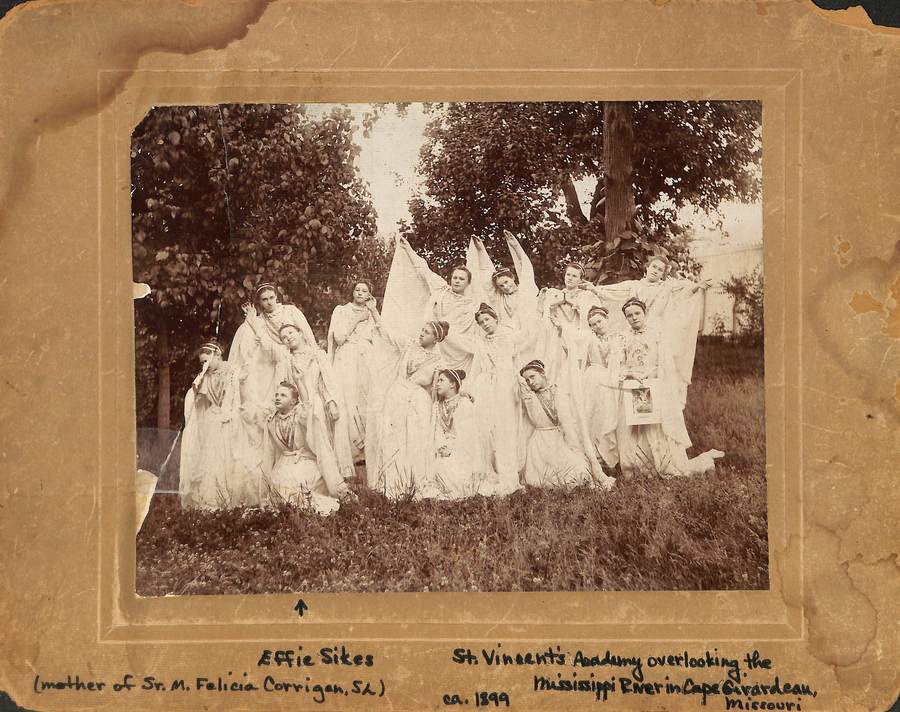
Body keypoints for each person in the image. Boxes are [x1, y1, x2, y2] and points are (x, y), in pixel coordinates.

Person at [241, 304, 354, 497]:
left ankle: (331, 480)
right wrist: (253, 322)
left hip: (317, 402)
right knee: (299, 445)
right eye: (284, 337)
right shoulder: (286, 358)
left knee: (320, 434)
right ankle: (306, 480)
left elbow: (327, 380)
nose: (288, 338)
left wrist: (331, 402)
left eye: (291, 333)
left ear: (300, 333)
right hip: (296, 407)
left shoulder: (317, 354)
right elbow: (267, 345)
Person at [613, 297, 723, 478]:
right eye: (629, 315)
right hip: (633, 385)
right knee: (633, 426)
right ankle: (638, 467)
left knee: (653, 426)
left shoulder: (657, 335)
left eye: (637, 313)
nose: (634, 318)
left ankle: (663, 464)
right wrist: (631, 374)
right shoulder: (623, 338)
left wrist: (650, 374)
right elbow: (619, 363)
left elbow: (665, 363)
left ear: (644, 313)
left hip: (654, 385)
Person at [365, 309, 449, 499]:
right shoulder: (410, 346)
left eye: (426, 332)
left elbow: (439, 388)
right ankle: (392, 483)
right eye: (422, 330)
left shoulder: (438, 361)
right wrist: (373, 311)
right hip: (397, 395)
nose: (421, 334)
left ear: (436, 339)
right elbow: (390, 335)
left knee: (413, 440)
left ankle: (411, 481)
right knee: (392, 437)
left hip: (417, 401)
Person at [229, 282, 318, 450]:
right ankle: (283, 442)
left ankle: (310, 441)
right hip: (278, 361)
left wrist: (313, 354)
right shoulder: (260, 321)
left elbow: (306, 333)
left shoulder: (290, 311)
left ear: (277, 297)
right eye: (264, 300)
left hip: (299, 356)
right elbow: (263, 344)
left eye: (271, 298)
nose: (269, 302)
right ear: (259, 303)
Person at [179, 340, 259, 509]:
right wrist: (196, 387)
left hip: (231, 417)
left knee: (231, 456)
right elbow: (197, 399)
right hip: (212, 420)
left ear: (217, 355)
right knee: (211, 460)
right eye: (202, 363)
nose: (204, 365)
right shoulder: (205, 377)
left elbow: (245, 380)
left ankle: (232, 498)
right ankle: (213, 499)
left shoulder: (233, 370)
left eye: (206, 361)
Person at [518, 360, 614, 490]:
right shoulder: (530, 397)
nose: (530, 382)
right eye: (527, 380)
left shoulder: (558, 390)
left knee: (579, 469)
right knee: (546, 476)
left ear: (542, 374)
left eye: (532, 377)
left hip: (560, 439)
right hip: (542, 444)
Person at [469, 302, 526, 494]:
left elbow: (517, 362)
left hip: (505, 385)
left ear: (495, 319)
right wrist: (470, 387)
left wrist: (517, 383)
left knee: (506, 430)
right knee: (486, 429)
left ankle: (509, 477)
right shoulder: (481, 343)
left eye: (487, 319)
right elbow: (476, 367)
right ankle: (489, 472)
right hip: (485, 386)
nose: (484, 324)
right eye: (481, 322)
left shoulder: (510, 337)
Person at [260, 381, 342, 516]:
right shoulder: (272, 420)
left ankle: (301, 509)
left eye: (283, 395)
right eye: (276, 395)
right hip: (284, 463)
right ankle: (290, 510)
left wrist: (300, 381)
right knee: (280, 488)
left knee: (301, 487)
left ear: (292, 402)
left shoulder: (299, 415)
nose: (278, 398)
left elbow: (308, 411)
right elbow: (268, 453)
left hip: (304, 461)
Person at [399, 237, 478, 371]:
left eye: (461, 279)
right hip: (432, 342)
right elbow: (424, 270)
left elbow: (466, 332)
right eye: (455, 278)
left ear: (468, 283)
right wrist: (408, 249)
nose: (457, 281)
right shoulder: (441, 289)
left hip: (454, 349)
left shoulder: (469, 306)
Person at [423, 369, 495, 499]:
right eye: (437, 380)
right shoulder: (437, 406)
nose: (437, 384)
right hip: (442, 448)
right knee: (437, 467)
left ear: (453, 384)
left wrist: (451, 448)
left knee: (451, 472)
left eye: (441, 380)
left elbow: (468, 435)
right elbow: (436, 431)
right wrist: (441, 446)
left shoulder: (464, 404)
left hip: (462, 450)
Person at [327, 281, 379, 462]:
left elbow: (382, 336)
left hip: (366, 360)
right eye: (357, 290)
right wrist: (357, 319)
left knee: (365, 401)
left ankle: (366, 451)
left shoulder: (371, 314)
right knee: (348, 401)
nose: (360, 293)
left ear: (369, 295)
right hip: (346, 359)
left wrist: (373, 312)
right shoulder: (341, 311)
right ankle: (350, 453)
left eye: (364, 291)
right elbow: (339, 338)